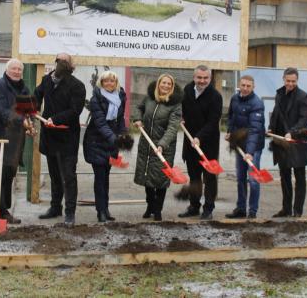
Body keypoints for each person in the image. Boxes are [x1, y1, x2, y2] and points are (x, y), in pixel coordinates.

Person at [34, 53, 86, 227]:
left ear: (71, 65)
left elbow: (75, 110)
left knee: (68, 176)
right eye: (59, 61)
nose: (61, 64)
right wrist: (31, 110)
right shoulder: (47, 80)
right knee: (54, 176)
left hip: (67, 139)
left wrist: (55, 119)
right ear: (54, 62)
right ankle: (55, 207)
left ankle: (69, 213)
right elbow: (37, 96)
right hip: (50, 139)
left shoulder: (77, 86)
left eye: (65, 61)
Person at [0, 58, 32, 225]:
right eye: (14, 69)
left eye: (19, 69)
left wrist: (29, 125)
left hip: (15, 140)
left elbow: (27, 112)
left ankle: (4, 211)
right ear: (7, 70)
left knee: (9, 175)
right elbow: (0, 110)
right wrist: (21, 121)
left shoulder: (24, 89)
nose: (17, 71)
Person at [133, 73, 183, 221]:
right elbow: (138, 108)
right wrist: (137, 119)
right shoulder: (149, 98)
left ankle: (158, 209)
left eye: (169, 84)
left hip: (164, 146)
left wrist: (162, 144)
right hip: (146, 144)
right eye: (163, 83)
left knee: (161, 179)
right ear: (158, 84)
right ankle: (150, 206)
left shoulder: (175, 105)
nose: (166, 86)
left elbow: (173, 128)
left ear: (172, 87)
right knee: (147, 176)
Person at [178, 65, 223, 220]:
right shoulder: (187, 90)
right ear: (194, 77)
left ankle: (208, 208)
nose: (202, 81)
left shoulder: (215, 96)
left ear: (210, 79)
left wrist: (199, 137)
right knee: (194, 176)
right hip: (190, 143)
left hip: (208, 144)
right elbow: (182, 109)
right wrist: (180, 117)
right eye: (199, 78)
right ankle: (194, 207)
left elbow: (213, 122)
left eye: (205, 78)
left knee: (209, 178)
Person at [82, 71, 127, 223]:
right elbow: (100, 123)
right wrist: (115, 139)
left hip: (111, 143)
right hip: (96, 142)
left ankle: (106, 209)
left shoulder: (120, 97)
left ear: (116, 83)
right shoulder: (96, 99)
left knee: (106, 177)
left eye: (112, 81)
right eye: (106, 81)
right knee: (100, 178)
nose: (109, 84)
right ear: (101, 83)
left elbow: (120, 120)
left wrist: (123, 136)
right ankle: (100, 211)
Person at [268, 67, 307, 218]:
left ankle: (297, 211)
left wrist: (291, 132)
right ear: (283, 79)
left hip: (297, 142)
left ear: (297, 80)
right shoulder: (280, 94)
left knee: (300, 177)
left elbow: (304, 120)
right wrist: (270, 128)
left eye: (293, 81)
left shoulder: (304, 97)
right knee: (284, 176)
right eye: (288, 81)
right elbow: (276, 114)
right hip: (282, 142)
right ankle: (286, 209)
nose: (290, 84)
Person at [225, 75, 265, 219]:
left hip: (254, 148)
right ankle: (241, 209)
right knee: (241, 178)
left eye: (249, 86)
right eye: (243, 85)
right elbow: (231, 117)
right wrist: (230, 132)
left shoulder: (257, 103)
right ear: (239, 85)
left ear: (253, 87)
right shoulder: (235, 99)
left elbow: (254, 130)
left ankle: (252, 211)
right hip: (240, 145)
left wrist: (250, 152)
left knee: (253, 180)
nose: (245, 88)